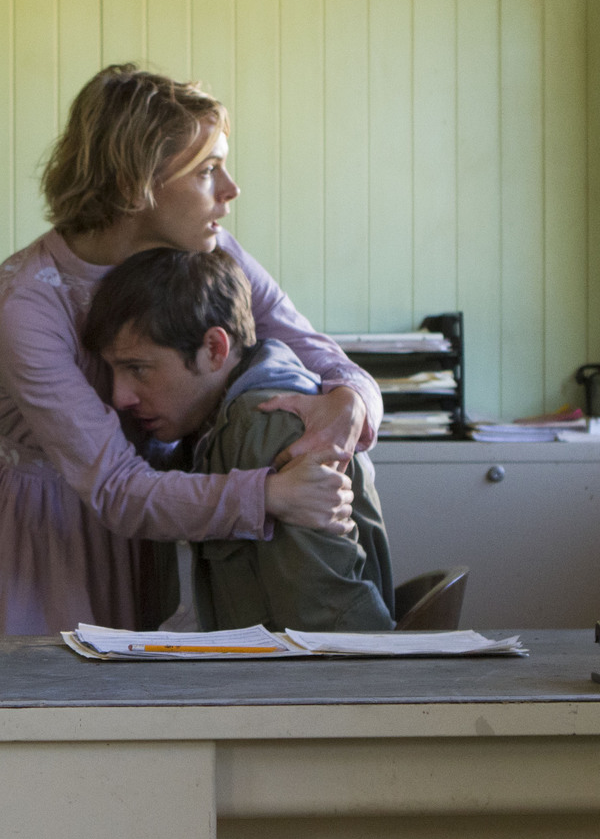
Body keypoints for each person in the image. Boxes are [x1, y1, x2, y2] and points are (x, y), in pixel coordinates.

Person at [0, 64, 383, 634]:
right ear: (138, 182)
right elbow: (113, 488)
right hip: (43, 532)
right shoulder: (23, 305)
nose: (231, 191)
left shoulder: (211, 253)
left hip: (164, 517)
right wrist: (267, 495)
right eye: (208, 171)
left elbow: (322, 355)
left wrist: (351, 401)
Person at [81, 247, 394, 632]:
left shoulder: (267, 426)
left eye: (138, 369)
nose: (119, 397)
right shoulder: (208, 425)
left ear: (215, 349)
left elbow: (337, 631)